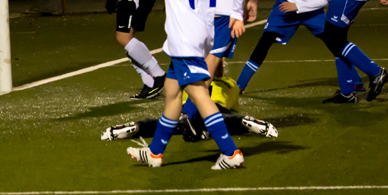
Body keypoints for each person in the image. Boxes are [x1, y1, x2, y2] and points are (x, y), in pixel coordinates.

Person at [127, 0, 248, 169]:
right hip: (203, 35)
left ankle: (230, 152)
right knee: (172, 92)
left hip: (184, 38)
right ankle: (155, 153)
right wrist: (237, 13)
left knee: (199, 95)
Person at [102, 61, 279, 142]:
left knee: (170, 125)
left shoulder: (189, 82)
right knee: (224, 119)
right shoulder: (230, 83)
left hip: (190, 109)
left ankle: (139, 126)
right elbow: (232, 106)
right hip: (214, 109)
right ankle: (242, 122)